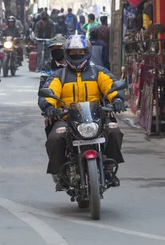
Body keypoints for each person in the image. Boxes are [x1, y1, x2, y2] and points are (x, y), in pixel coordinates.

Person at [38, 35, 126, 189]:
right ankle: (60, 173)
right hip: (67, 118)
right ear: (67, 53)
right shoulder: (59, 75)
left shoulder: (98, 72)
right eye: (73, 53)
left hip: (96, 117)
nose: (76, 55)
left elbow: (110, 85)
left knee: (114, 131)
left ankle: (109, 168)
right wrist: (49, 107)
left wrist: (117, 99)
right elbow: (50, 90)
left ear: (87, 52)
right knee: (56, 137)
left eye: (80, 52)